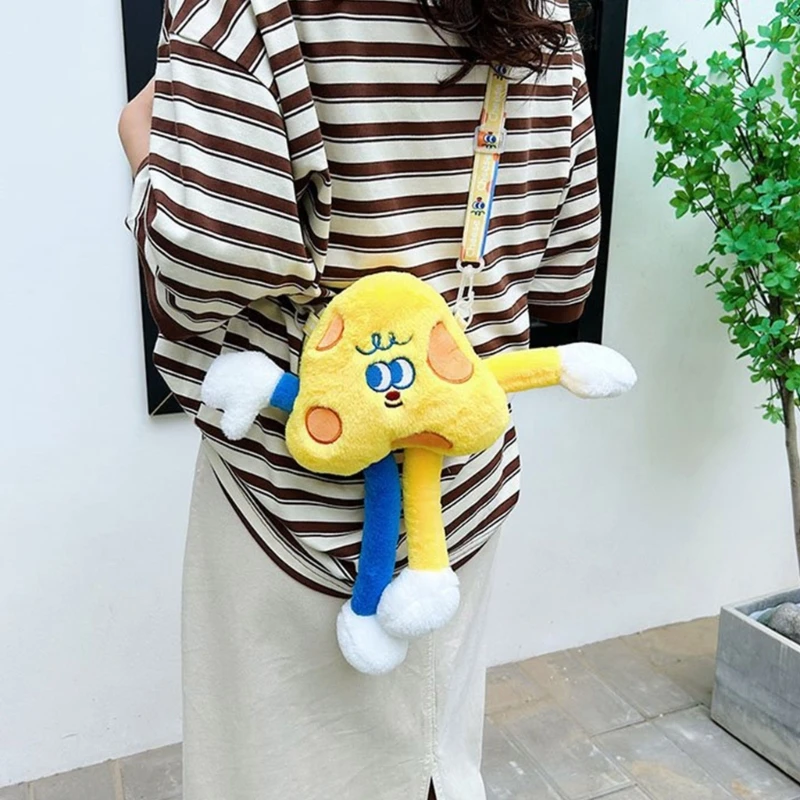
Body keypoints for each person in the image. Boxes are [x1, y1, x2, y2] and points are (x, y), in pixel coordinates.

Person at [118, 0, 600, 797]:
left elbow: (195, 281)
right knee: (437, 761)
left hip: (288, 514)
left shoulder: (248, 11)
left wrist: (141, 150)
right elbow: (565, 279)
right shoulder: (542, 11)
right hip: (465, 497)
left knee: (275, 774)